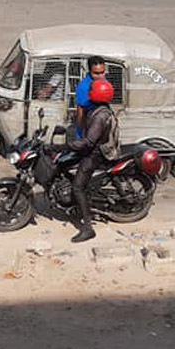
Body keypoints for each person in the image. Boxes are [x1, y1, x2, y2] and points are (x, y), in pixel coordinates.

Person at [45, 79, 118, 244]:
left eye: (91, 89)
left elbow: (89, 142)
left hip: (95, 153)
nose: (89, 90)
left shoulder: (101, 116)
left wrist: (63, 146)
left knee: (78, 187)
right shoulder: (97, 108)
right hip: (90, 149)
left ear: (97, 94)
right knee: (64, 164)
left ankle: (88, 228)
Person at [74, 56, 107, 138]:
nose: (100, 76)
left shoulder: (104, 82)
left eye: (102, 72)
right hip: (88, 132)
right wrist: (83, 137)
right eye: (96, 73)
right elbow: (80, 114)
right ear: (90, 71)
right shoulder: (84, 87)